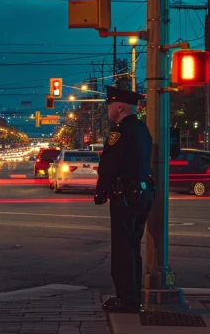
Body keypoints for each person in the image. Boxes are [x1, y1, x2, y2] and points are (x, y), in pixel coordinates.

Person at [94, 86, 154, 313]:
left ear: (119, 107)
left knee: (123, 249)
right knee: (132, 247)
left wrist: (101, 192)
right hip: (143, 193)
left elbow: (109, 164)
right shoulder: (143, 129)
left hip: (126, 196)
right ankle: (132, 296)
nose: (108, 108)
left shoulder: (119, 131)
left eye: (110, 104)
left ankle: (127, 300)